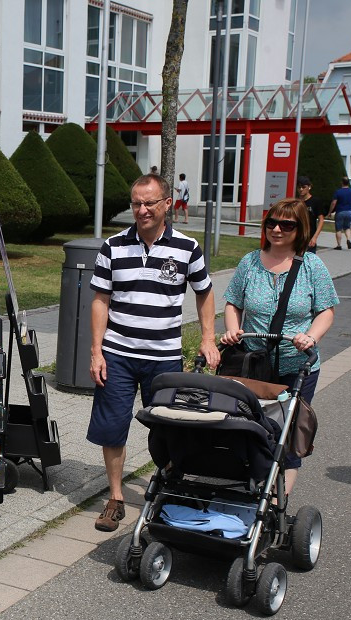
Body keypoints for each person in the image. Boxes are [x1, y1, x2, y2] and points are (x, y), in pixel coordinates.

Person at [88, 174, 221, 532]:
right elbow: (100, 300)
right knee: (112, 428)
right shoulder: (113, 247)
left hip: (164, 356)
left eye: (149, 203)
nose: (142, 210)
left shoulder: (187, 248)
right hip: (117, 354)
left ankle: (167, 490)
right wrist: (96, 351)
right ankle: (116, 498)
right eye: (136, 203)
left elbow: (205, 292)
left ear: (167, 204)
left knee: (168, 428)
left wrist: (208, 338)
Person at [221, 197, 339, 494]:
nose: (277, 229)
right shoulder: (249, 262)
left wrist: (310, 337)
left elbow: (326, 310)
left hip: (295, 365)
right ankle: (250, 486)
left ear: (300, 229)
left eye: (286, 224)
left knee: (286, 435)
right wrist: (233, 330)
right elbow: (233, 302)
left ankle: (275, 504)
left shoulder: (312, 265)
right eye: (271, 222)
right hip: (254, 364)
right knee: (251, 429)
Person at [296, 175, 325, 252]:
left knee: (309, 261)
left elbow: (321, 220)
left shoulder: (315, 201)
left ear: (309, 187)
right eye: (299, 187)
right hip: (296, 238)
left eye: (303, 187)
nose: (301, 189)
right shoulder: (295, 202)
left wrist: (315, 237)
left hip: (309, 238)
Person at [328, 176, 351, 250]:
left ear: (342, 182)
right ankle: (348, 239)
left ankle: (339, 245)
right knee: (347, 227)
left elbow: (334, 203)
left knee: (338, 229)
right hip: (349, 211)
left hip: (340, 211)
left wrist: (330, 212)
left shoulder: (338, 192)